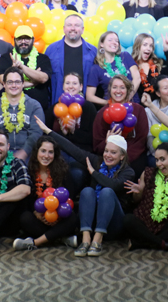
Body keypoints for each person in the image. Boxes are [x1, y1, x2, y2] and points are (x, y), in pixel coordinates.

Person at [35, 117, 134, 257]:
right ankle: (86, 239)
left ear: (122, 156)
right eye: (106, 151)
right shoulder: (97, 162)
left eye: (113, 152)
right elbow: (73, 150)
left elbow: (113, 185)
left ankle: (97, 241)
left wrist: (93, 173)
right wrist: (48, 131)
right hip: (93, 220)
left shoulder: (128, 172)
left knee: (107, 192)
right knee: (87, 191)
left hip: (113, 225)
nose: (108, 155)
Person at [13, 136, 79, 251]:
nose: (46, 156)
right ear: (36, 152)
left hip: (59, 219)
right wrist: (37, 214)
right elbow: (27, 201)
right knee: (25, 218)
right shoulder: (29, 171)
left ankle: (35, 242)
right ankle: (60, 238)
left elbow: (69, 198)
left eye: (50, 152)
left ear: (55, 154)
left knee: (72, 217)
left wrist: (58, 216)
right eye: (43, 151)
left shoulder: (63, 171)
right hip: (39, 220)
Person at [123, 143, 168, 251]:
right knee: (127, 219)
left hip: (163, 226)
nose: (159, 164)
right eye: (157, 160)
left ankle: (142, 243)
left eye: (162, 159)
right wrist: (138, 192)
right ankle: (164, 244)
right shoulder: (147, 173)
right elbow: (137, 200)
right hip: (142, 221)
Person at [0, 67, 45, 162]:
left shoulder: (34, 105)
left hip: (29, 153)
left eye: (17, 82)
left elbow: (36, 133)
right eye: (10, 82)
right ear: (4, 84)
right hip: (0, 153)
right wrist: (1, 152)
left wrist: (24, 152)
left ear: (23, 84)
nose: (14, 85)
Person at [92, 75, 149, 178]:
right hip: (108, 158)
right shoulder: (102, 113)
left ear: (128, 90)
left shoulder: (139, 110)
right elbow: (97, 146)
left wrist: (123, 158)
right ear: (110, 90)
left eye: (122, 87)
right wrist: (107, 142)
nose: (118, 91)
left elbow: (141, 140)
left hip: (133, 158)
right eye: (115, 87)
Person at [0, 25, 52, 112]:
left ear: (33, 40)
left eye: (27, 38)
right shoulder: (6, 58)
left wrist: (21, 67)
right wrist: (33, 81)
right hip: (10, 110)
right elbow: (3, 81)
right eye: (20, 39)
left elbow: (43, 78)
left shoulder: (43, 58)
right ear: (14, 40)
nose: (23, 42)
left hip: (38, 111)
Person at [46, 14, 97, 104]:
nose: (73, 28)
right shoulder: (51, 49)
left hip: (84, 105)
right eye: (69, 25)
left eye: (77, 25)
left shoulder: (93, 51)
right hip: (57, 104)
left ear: (82, 29)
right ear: (64, 29)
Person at [86, 31, 141, 106]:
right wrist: (109, 103)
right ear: (102, 44)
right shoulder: (96, 68)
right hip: (112, 109)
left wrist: (127, 99)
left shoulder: (125, 56)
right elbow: (89, 96)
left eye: (116, 41)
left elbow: (137, 78)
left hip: (133, 104)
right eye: (110, 40)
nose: (114, 43)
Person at [131, 33, 168, 101]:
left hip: (162, 103)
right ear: (138, 46)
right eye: (145, 45)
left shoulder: (158, 63)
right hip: (142, 105)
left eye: (151, 46)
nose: (148, 48)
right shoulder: (132, 66)